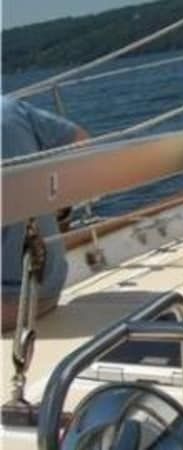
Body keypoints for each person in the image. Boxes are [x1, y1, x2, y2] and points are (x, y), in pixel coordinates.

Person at [1, 97, 89, 332]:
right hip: (47, 287)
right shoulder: (11, 108)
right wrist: (59, 208)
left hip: (9, 303)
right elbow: (82, 144)